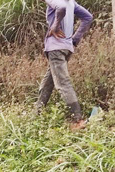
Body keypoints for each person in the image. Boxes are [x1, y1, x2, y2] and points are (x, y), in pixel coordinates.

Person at [37, 0, 94, 129]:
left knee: (62, 83)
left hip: (56, 47)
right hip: (66, 48)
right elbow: (88, 17)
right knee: (49, 82)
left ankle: (77, 120)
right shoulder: (71, 2)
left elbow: (60, 8)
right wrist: (75, 39)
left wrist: (55, 26)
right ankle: (37, 114)